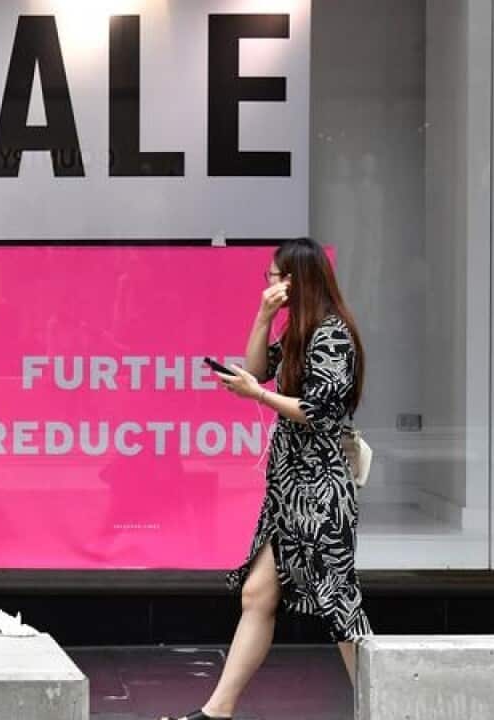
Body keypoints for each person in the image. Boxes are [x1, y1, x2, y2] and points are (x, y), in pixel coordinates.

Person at [162, 238, 371, 720]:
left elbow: (318, 412)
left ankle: (388, 702)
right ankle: (218, 711)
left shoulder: (332, 335)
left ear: (298, 279)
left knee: (339, 607)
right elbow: (258, 370)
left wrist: (259, 396)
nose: (269, 285)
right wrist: (260, 320)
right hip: (288, 490)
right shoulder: (300, 330)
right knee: (258, 593)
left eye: (275, 276)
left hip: (319, 491)